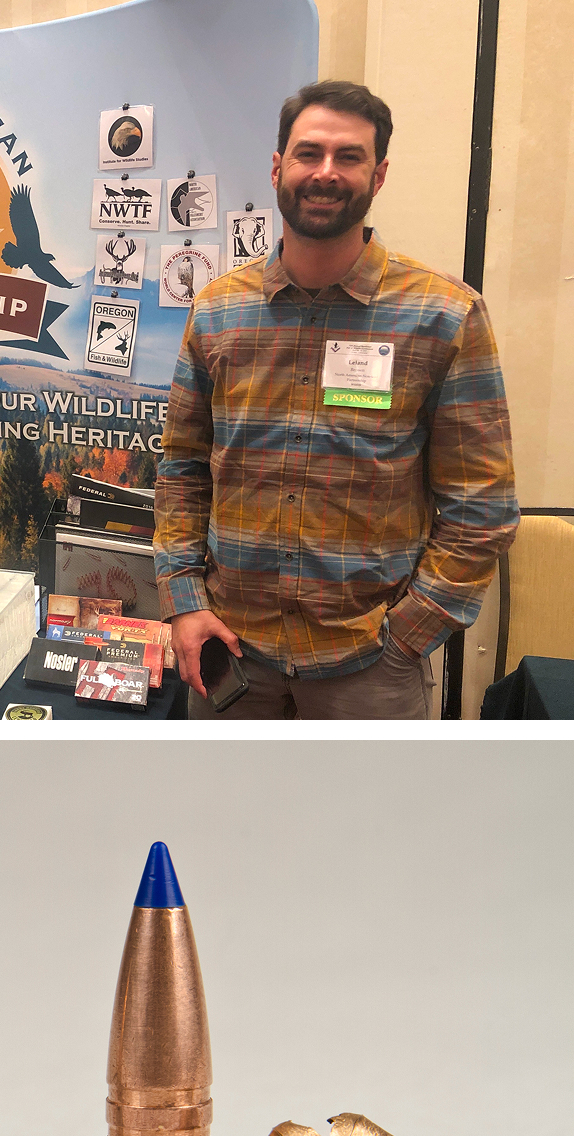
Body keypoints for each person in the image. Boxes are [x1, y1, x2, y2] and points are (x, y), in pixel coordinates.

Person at [153, 80, 518, 719]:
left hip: (369, 673)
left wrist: (406, 638)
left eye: (348, 157)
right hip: (231, 659)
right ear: (277, 168)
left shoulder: (443, 317)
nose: (325, 172)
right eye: (308, 153)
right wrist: (184, 602)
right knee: (221, 820)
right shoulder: (217, 312)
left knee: (364, 824)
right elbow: (181, 471)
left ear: (378, 175)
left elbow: (482, 507)